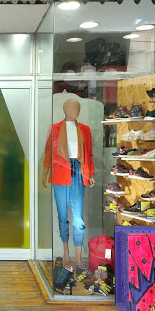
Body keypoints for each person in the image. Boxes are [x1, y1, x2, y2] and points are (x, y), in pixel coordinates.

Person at [42, 99, 95, 273]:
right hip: (60, 172)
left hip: (78, 171)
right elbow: (49, 151)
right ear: (65, 109)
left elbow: (89, 153)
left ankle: (78, 257)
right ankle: (66, 254)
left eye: (78, 107)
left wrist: (91, 173)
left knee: (78, 217)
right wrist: (45, 173)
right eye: (72, 107)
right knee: (62, 214)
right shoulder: (55, 128)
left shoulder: (85, 129)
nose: (76, 110)